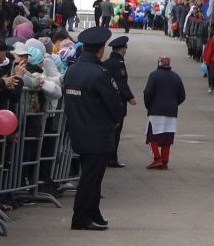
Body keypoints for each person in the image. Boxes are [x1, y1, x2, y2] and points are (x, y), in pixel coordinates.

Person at [63, 27, 126, 231]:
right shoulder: (100, 73)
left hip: (78, 129)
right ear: (100, 50)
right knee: (91, 178)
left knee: (92, 176)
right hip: (98, 131)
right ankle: (81, 217)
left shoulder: (72, 71)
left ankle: (93, 212)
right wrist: (116, 120)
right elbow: (114, 103)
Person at [141, 54, 185, 169]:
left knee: (152, 136)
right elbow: (182, 96)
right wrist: (174, 104)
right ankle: (164, 161)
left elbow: (148, 93)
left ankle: (157, 158)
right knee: (167, 136)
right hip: (171, 112)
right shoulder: (176, 77)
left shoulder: (154, 75)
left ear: (158, 63)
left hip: (156, 110)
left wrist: (148, 105)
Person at [103, 34, 135, 166]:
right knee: (115, 133)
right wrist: (130, 98)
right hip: (117, 103)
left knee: (106, 131)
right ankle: (112, 159)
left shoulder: (105, 63)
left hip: (106, 102)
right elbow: (121, 84)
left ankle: (105, 157)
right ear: (122, 49)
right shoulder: (119, 64)